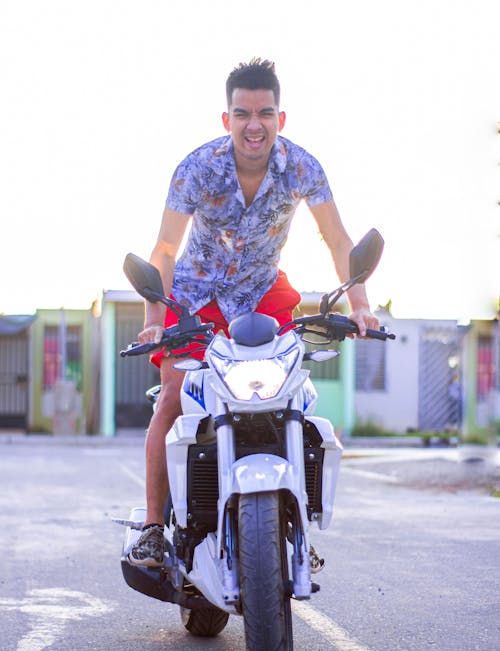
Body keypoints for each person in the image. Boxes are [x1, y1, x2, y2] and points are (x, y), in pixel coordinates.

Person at [129, 57, 379, 567]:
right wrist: (155, 316)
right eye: (242, 113)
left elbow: (335, 237)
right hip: (195, 297)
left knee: (289, 395)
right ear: (227, 119)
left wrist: (361, 306)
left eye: (265, 112)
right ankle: (154, 528)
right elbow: (166, 250)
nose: (254, 124)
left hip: (262, 294)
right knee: (174, 396)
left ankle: (290, 528)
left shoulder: (303, 167)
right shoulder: (197, 168)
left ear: (280, 118)